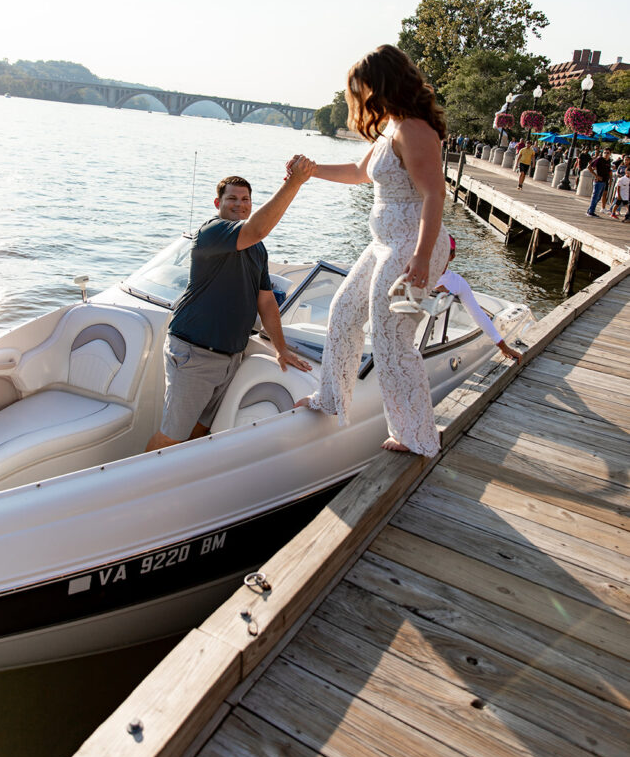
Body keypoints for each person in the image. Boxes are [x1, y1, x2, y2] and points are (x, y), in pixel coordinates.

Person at [287, 44, 450, 457]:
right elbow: (361, 174)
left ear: (380, 86)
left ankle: (417, 437)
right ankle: (331, 398)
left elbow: (435, 194)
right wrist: (311, 172)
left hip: (410, 248)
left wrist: (421, 254)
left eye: (361, 89)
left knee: (392, 340)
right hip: (384, 245)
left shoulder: (413, 130)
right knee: (343, 311)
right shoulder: (391, 131)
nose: (358, 99)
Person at [145, 166, 314, 452]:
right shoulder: (213, 232)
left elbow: (266, 301)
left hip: (230, 357)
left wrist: (281, 348)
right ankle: (140, 490)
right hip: (194, 353)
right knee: (172, 437)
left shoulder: (257, 248)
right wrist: (295, 182)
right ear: (218, 204)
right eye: (232, 199)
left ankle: (184, 483)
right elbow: (259, 227)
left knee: (201, 430)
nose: (239, 204)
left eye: (245, 199)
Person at [435, 237, 522, 363]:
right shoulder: (414, 273)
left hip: (433, 343)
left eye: (444, 252)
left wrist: (503, 347)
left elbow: (477, 314)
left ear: (452, 256)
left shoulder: (458, 283)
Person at [586, 148, 613, 217]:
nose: (606, 154)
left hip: (604, 181)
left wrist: (610, 179)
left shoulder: (608, 161)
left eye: (607, 153)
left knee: (598, 197)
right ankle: (591, 212)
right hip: (598, 181)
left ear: (610, 154)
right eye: (605, 152)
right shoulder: (599, 159)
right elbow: (589, 167)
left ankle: (590, 210)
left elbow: (609, 171)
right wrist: (596, 175)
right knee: (595, 197)